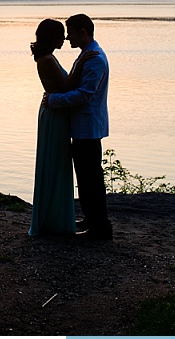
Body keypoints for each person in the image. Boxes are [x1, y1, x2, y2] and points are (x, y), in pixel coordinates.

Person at [44, 13, 112, 240]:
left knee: (90, 178)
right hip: (83, 127)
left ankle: (100, 227)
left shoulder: (94, 58)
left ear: (83, 32)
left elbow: (84, 94)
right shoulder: (87, 55)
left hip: (88, 127)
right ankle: (92, 220)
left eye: (71, 32)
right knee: (85, 177)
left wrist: (53, 100)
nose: (67, 37)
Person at [28, 19, 93, 236]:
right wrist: (82, 62)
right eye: (61, 35)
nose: (65, 39)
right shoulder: (46, 60)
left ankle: (58, 217)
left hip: (57, 114)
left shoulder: (49, 57)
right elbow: (67, 86)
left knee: (58, 165)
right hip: (54, 116)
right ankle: (53, 221)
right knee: (55, 164)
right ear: (51, 37)